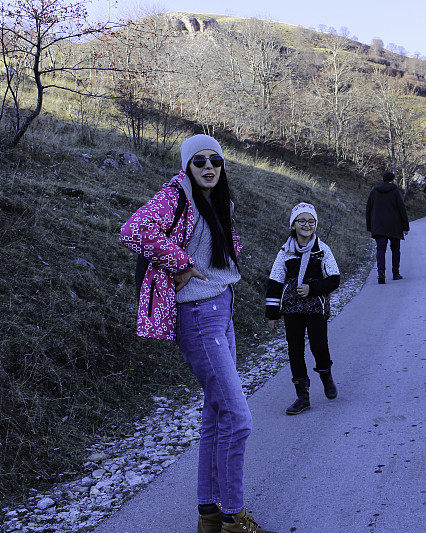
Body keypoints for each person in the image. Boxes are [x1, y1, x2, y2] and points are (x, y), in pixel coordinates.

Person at [120, 134, 273, 533]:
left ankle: (209, 515)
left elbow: (221, 251)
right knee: (239, 419)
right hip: (198, 314)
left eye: (216, 162)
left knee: (217, 414)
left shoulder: (218, 201)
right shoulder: (176, 194)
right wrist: (179, 261)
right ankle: (234, 518)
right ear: (187, 165)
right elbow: (133, 229)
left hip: (222, 307)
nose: (209, 167)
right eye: (200, 161)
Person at [265, 203, 341, 415]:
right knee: (295, 350)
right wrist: (272, 314)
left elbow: (335, 279)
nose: (306, 225)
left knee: (319, 347)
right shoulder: (285, 252)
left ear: (315, 224)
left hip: (316, 308)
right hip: (291, 310)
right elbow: (275, 282)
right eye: (302, 221)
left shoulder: (322, 250)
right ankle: (302, 396)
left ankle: (326, 376)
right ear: (293, 225)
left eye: (311, 221)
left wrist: (313, 288)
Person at [366, 171, 410, 284]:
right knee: (395, 249)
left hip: (379, 225)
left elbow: (368, 209)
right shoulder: (395, 191)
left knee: (381, 250)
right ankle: (395, 273)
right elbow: (402, 209)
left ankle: (381, 273)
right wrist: (405, 227)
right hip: (394, 225)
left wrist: (370, 226)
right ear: (393, 180)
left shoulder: (374, 191)